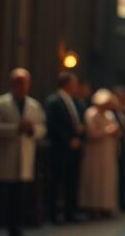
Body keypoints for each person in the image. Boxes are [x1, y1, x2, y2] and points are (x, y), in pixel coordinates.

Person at [0, 68, 46, 236]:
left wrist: (32, 130)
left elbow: (42, 128)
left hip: (25, 159)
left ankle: (16, 229)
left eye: (24, 82)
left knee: (19, 202)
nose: (21, 86)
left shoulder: (34, 106)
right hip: (4, 160)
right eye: (18, 82)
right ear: (12, 83)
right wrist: (16, 128)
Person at [44, 72, 86, 225]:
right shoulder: (53, 101)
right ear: (67, 84)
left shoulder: (75, 101)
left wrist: (79, 134)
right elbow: (53, 125)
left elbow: (77, 122)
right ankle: (53, 214)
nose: (76, 86)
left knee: (71, 181)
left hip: (74, 149)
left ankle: (70, 212)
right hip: (60, 148)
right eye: (74, 83)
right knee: (56, 182)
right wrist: (68, 140)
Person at [79, 89, 122, 217]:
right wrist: (107, 131)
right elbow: (91, 133)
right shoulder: (91, 113)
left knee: (107, 180)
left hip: (108, 152)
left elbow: (116, 130)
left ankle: (106, 206)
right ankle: (93, 207)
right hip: (95, 153)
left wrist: (116, 133)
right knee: (95, 180)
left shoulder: (109, 115)